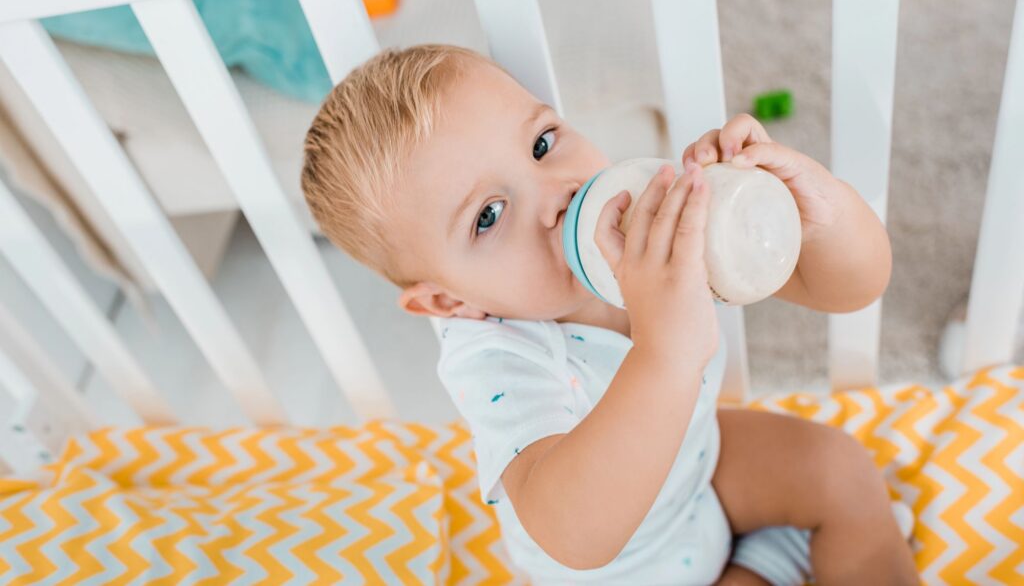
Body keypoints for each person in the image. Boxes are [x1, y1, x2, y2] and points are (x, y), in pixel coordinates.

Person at [300, 44, 918, 585]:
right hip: (623, 571)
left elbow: (851, 289)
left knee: (838, 469)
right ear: (449, 301)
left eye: (542, 144)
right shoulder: (498, 359)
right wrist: (664, 352)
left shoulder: (649, 223)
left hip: (701, 478)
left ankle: (759, 564)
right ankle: (761, 567)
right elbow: (576, 536)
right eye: (488, 215)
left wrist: (815, 211)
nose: (557, 193)